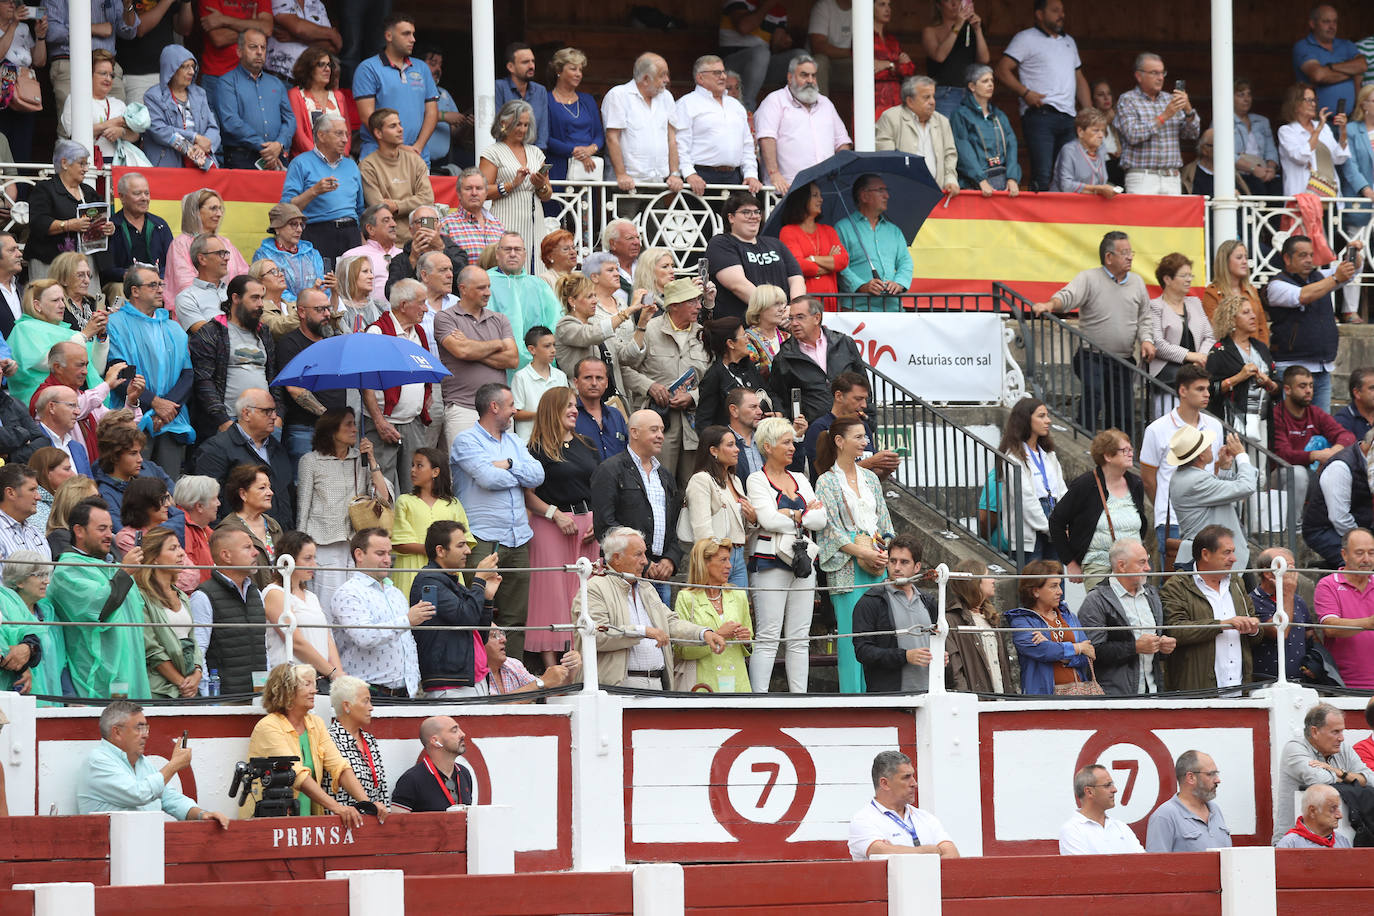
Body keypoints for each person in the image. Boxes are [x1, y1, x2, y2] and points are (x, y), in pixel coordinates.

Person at [451, 382, 544, 659]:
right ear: (494, 407)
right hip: (482, 539)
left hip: (518, 540)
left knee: (516, 620)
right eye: (511, 405)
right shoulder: (466, 440)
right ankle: (478, 676)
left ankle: (514, 680)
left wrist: (510, 465)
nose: (515, 410)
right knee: (476, 612)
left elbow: (538, 475)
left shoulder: (515, 442)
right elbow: (488, 479)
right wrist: (518, 473)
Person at [1031, 232, 1155, 436]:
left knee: (1122, 411)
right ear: (1109, 257)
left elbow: (1144, 317)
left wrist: (1147, 340)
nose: (1130, 257)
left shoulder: (1137, 283)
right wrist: (1049, 305)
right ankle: (1083, 441)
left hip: (1123, 360)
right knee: (1094, 395)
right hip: (1092, 356)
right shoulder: (1089, 278)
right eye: (1124, 253)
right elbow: (1068, 296)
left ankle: (1119, 452)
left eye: (1131, 252)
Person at [575, 525, 726, 689]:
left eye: (645, 554)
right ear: (617, 558)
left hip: (657, 683)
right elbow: (596, 635)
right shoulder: (594, 588)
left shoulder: (646, 587)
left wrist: (703, 633)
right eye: (638, 554)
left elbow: (669, 622)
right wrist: (643, 631)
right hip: (617, 686)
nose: (645, 561)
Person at [815, 416, 894, 693]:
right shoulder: (825, 482)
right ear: (839, 441)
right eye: (858, 437)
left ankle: (881, 695)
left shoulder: (871, 478)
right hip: (847, 564)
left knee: (880, 633)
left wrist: (882, 549)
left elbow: (885, 522)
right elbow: (829, 531)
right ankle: (853, 697)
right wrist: (862, 551)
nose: (865, 442)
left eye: (865, 436)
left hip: (875, 560)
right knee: (851, 638)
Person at [746, 416, 825, 692]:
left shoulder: (801, 477)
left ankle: (799, 700)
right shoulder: (756, 479)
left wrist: (790, 514)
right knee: (768, 636)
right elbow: (767, 520)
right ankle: (759, 701)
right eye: (786, 442)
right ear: (768, 446)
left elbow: (822, 520)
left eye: (793, 441)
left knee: (799, 637)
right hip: (770, 562)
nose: (793, 447)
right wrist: (804, 515)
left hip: (803, 562)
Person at [524, 388, 600, 666]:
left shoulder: (587, 444)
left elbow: (599, 487)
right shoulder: (535, 449)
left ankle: (585, 663)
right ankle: (553, 670)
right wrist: (554, 514)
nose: (574, 410)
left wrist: (599, 521)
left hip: (589, 527)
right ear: (552, 409)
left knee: (587, 593)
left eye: (575, 405)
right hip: (550, 526)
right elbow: (527, 493)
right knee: (552, 595)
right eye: (567, 405)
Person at [243, 663, 372, 823]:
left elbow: (339, 766)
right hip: (270, 822)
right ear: (287, 690)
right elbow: (297, 775)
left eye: (314, 684)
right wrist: (337, 807)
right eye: (307, 684)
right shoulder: (269, 726)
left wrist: (367, 804)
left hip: (308, 822)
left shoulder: (316, 723)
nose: (314, 690)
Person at [48, 498, 148, 698]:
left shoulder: (109, 566)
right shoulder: (68, 569)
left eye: (110, 529)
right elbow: (100, 609)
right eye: (101, 529)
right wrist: (125, 572)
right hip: (99, 680)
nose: (109, 535)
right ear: (79, 531)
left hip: (128, 672)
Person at [76, 701, 230, 825]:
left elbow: (169, 798)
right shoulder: (97, 761)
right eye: (139, 728)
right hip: (110, 855)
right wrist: (174, 764)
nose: (146, 735)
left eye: (146, 728)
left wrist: (202, 815)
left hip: (144, 847)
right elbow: (138, 793)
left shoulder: (142, 762)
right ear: (117, 732)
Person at [619, 279, 712, 483]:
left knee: (692, 486)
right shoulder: (649, 329)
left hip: (692, 427)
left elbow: (713, 378)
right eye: (692, 301)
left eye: (699, 301)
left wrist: (693, 396)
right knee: (657, 483)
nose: (698, 306)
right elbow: (624, 365)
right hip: (657, 422)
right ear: (674, 306)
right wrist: (649, 386)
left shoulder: (703, 334)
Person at [297, 408, 390, 608]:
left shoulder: (361, 459)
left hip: (356, 544)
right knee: (328, 604)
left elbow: (383, 498)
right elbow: (303, 507)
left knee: (355, 604)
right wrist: (301, 548)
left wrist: (372, 459)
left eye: (355, 424)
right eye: (348, 424)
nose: (355, 429)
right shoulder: (310, 461)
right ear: (331, 429)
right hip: (323, 543)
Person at [590, 409, 682, 605]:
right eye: (654, 430)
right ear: (634, 432)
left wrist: (670, 560)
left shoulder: (664, 476)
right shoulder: (609, 470)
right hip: (624, 574)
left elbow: (673, 526)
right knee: (629, 632)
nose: (660, 436)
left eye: (662, 430)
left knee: (660, 633)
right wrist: (643, 561)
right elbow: (605, 526)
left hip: (660, 575)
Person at [107, 264, 193, 474]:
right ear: (134, 291)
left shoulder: (173, 326)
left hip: (171, 419)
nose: (160, 290)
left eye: (161, 284)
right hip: (132, 420)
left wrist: (166, 410)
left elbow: (187, 374)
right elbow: (120, 373)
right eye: (153, 285)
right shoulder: (116, 323)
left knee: (168, 490)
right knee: (134, 487)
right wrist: (155, 404)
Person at [995, 0, 1089, 191]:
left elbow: (1079, 78)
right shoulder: (1025, 38)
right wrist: (1025, 93)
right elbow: (1002, 69)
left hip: (1069, 117)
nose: (1061, 15)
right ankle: (1037, 219)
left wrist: (1088, 113)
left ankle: (1062, 219)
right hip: (1040, 115)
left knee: (1067, 174)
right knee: (1043, 174)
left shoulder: (1069, 41)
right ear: (1039, 14)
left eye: (1062, 11)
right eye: (1055, 11)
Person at [331, 527, 433, 698]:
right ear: (359, 555)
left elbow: (407, 643)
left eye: (388, 553)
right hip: (367, 693)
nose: (387, 560)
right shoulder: (348, 593)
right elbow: (364, 637)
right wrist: (407, 620)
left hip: (406, 692)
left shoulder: (395, 592)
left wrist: (414, 685)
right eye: (380, 553)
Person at [1160, 523, 1261, 692]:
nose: (1234, 558)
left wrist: (1253, 629)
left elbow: (1255, 634)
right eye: (1227, 552)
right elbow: (1175, 630)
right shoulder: (1176, 586)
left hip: (1240, 690)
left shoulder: (1236, 582)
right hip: (1197, 693)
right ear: (1205, 554)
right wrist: (1223, 624)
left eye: (1233, 552)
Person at [1266, 236, 1362, 410]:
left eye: (1311, 255)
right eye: (1303, 255)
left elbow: (1351, 271)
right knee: (1291, 429)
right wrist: (1334, 279)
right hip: (1291, 370)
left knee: (1321, 430)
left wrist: (1354, 253)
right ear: (1287, 258)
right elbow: (1302, 295)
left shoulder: (1319, 277)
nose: (1309, 260)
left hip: (1323, 369)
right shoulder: (1276, 285)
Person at [1139, 365, 1225, 560]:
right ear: (1183, 391)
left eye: (1208, 389)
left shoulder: (1215, 426)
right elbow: (1148, 479)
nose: (1207, 394)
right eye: (1200, 389)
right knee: (1174, 583)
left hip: (1209, 518)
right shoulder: (1157, 429)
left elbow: (1215, 468)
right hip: (1173, 519)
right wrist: (1164, 503)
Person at [189, 274, 284, 441]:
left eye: (261, 298)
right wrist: (222, 420)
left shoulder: (264, 332)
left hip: (266, 420)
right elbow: (204, 380)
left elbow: (274, 377)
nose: (260, 304)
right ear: (236, 298)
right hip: (230, 421)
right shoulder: (212, 332)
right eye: (254, 298)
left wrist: (279, 415)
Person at [1049, 429, 1147, 589]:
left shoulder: (1135, 483)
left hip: (1133, 567)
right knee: (1105, 611)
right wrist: (1070, 562)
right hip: (1099, 566)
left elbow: (1141, 523)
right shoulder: (1085, 485)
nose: (1131, 454)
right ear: (1108, 456)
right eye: (1125, 450)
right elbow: (1056, 521)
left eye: (1131, 449)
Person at [411, 520, 499, 698]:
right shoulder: (429, 581)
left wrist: (487, 598)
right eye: (461, 545)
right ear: (440, 551)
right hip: (449, 685)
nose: (468, 551)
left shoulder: (451, 583)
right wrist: (480, 579)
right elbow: (466, 618)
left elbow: (479, 636)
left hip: (469, 680)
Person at [1075, 538, 1173, 696]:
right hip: (1114, 696)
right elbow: (1092, 652)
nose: (1148, 568)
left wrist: (1164, 646)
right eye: (1141, 562)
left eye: (1147, 561)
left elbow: (1156, 646)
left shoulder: (1152, 594)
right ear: (1121, 566)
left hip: (1153, 692)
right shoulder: (1096, 600)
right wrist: (1135, 647)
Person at [433, 266, 517, 443]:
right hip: (463, 408)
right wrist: (498, 344)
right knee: (465, 468)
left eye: (488, 286)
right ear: (463, 289)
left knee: (506, 466)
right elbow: (461, 351)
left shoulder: (500, 319)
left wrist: (472, 348)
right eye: (481, 288)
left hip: (500, 408)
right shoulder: (446, 318)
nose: (487, 292)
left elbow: (512, 359)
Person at [194, 389, 295, 530]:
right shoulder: (216, 449)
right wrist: (224, 537)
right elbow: (207, 500)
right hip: (238, 542)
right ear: (246, 413)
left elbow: (288, 495)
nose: (274, 416)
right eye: (267, 411)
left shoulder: (278, 449)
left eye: (275, 411)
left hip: (280, 539)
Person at [851, 534, 937, 694]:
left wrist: (941, 655)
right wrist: (904, 656)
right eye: (892, 561)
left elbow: (938, 642)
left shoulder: (929, 602)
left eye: (904, 562)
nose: (897, 567)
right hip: (890, 698)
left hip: (930, 695)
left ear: (917, 567)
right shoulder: (870, 601)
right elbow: (863, 651)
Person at [188, 523, 269, 694]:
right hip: (224, 700)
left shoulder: (256, 593)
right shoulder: (203, 597)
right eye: (247, 547)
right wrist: (209, 698)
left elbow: (264, 647)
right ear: (226, 555)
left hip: (259, 697)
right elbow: (198, 652)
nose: (255, 552)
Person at [1275, 703, 1373, 844]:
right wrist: (1351, 778)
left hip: (1338, 842)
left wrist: (1341, 773)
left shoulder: (1343, 749)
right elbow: (1317, 779)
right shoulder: (1295, 748)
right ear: (1314, 732)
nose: (1342, 738)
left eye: (1342, 731)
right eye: (1335, 732)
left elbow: (1371, 779)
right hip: (1295, 842)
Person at [754, 55, 851, 195]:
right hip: (787, 188)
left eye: (813, 76)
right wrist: (774, 174)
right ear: (790, 77)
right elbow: (766, 138)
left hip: (825, 188)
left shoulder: (826, 104)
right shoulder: (775, 101)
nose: (810, 81)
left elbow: (842, 143)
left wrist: (839, 173)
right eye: (804, 75)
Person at [768, 295, 872, 424]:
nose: (794, 323)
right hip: (813, 431)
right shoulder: (784, 356)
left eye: (800, 317)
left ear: (817, 318)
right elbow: (778, 395)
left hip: (850, 426)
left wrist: (869, 421)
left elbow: (863, 384)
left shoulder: (844, 343)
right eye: (791, 318)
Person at [1168, 424, 1257, 574]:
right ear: (1201, 455)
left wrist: (1224, 470)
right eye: (1207, 446)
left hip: (1218, 555)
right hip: (1215, 559)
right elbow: (1246, 487)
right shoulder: (1195, 480)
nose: (1211, 447)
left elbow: (1219, 500)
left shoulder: (1184, 476)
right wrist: (1241, 456)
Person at [555, 273, 645, 417]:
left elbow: (626, 357)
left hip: (610, 406)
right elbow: (590, 335)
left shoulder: (597, 327)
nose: (595, 301)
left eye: (595, 296)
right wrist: (628, 310)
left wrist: (642, 324)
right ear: (572, 301)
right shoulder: (565, 326)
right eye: (589, 296)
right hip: (581, 408)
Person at [352, 13, 438, 163]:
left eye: (413, 34)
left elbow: (432, 112)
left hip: (418, 155)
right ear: (389, 36)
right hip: (380, 154)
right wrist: (401, 148)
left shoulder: (422, 67)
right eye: (406, 34)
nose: (413, 39)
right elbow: (368, 117)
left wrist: (417, 147)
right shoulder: (368, 68)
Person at [707, 192, 804, 324]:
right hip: (742, 331)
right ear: (731, 217)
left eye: (757, 212)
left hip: (782, 325)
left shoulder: (775, 243)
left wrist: (794, 309)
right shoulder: (721, 243)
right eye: (746, 212)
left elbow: (796, 278)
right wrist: (774, 310)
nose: (754, 217)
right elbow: (738, 285)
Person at [672, 55, 763, 195]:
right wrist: (690, 174)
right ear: (700, 78)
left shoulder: (735, 105)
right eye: (716, 73)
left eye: (723, 72)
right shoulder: (687, 104)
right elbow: (680, 144)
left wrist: (751, 174)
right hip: (700, 178)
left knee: (735, 217)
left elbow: (747, 145)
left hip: (735, 177)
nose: (723, 77)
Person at [282, 113, 366, 262]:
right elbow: (286, 208)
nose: (345, 140)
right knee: (323, 282)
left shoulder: (352, 165)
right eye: (339, 134)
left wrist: (363, 240)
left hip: (351, 233)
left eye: (346, 134)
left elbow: (360, 209)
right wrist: (314, 191)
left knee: (351, 283)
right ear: (321, 135)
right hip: (318, 232)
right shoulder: (300, 163)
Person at [480, 103, 552, 274]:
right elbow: (481, 192)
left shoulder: (536, 152)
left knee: (536, 267)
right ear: (504, 123)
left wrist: (540, 185)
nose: (522, 129)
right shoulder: (493, 152)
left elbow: (548, 194)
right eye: (518, 124)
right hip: (505, 217)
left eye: (526, 125)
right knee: (509, 264)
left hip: (535, 218)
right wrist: (512, 185)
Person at [390, 447, 471, 599]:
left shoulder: (453, 504)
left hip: (448, 570)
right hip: (411, 570)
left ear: (435, 472)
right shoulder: (404, 501)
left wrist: (444, 553)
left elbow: (464, 543)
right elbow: (398, 543)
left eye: (419, 465)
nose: (413, 470)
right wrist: (439, 552)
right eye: (412, 465)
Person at [848, 750, 959, 861]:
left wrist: (896, 850)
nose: (914, 783)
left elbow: (953, 856)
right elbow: (880, 851)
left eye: (913, 776)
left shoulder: (925, 817)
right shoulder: (864, 820)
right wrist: (930, 851)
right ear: (885, 784)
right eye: (906, 777)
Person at [1113, 53, 1199, 194]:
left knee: (1172, 217)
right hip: (1142, 176)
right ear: (1139, 76)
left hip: (1171, 177)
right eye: (1154, 73)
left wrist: (1189, 110)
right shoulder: (1128, 100)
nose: (1160, 78)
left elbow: (1192, 134)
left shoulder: (1170, 99)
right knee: (1143, 217)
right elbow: (1132, 135)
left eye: (1162, 73)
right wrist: (1164, 116)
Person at [262, 531, 342, 681]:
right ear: (288, 561)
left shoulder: (311, 596)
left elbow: (328, 639)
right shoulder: (274, 593)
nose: (314, 564)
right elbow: (295, 642)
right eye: (307, 559)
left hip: (319, 678)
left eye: (314, 558)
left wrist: (339, 674)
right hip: (291, 680)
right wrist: (331, 672)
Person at [25, 142, 111, 280]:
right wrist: (69, 225)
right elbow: (38, 223)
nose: (86, 169)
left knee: (88, 301)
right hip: (51, 262)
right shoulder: (45, 189)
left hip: (85, 262)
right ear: (64, 163)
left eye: (87, 164)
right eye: (81, 164)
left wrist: (107, 228)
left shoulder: (89, 192)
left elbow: (100, 218)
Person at [682, 425, 754, 588]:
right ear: (713, 450)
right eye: (730, 445)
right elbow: (702, 530)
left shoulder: (735, 480)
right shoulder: (701, 480)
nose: (737, 450)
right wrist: (716, 558)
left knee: (738, 610)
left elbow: (744, 527)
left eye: (736, 444)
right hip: (715, 556)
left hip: (739, 555)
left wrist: (753, 518)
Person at [1006, 560, 1093, 695]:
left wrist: (1060, 654)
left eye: (1059, 585)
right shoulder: (1021, 621)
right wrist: (1077, 647)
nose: (1060, 591)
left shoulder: (1070, 616)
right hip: (1043, 699)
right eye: (1054, 586)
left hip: (1079, 695)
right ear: (1035, 591)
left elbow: (1088, 656)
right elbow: (1043, 651)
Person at [602, 52, 682, 195]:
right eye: (662, 75)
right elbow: (612, 138)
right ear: (646, 79)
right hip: (628, 183)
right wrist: (621, 175)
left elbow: (672, 138)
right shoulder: (619, 95)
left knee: (656, 218)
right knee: (626, 218)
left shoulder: (666, 97)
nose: (667, 80)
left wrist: (674, 173)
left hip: (658, 181)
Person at [997, 397, 1065, 562]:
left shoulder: (1049, 454)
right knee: (1035, 583)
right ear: (1026, 420)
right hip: (1030, 527)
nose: (1047, 420)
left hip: (1054, 514)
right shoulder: (1012, 457)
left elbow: (1062, 490)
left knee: (1055, 581)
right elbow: (1025, 499)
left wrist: (1064, 521)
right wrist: (1050, 527)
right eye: (1041, 416)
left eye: (1047, 415)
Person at [216, 29, 295, 170]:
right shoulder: (227, 82)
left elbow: (290, 119)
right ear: (239, 52)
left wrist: (279, 144)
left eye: (263, 47)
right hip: (242, 158)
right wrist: (265, 147)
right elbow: (230, 122)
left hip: (277, 156)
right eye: (253, 47)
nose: (259, 52)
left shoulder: (276, 83)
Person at [835, 174, 913, 312]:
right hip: (857, 309)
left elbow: (905, 262)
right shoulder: (842, 228)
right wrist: (861, 286)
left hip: (892, 308)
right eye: (881, 190)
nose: (886, 195)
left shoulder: (894, 230)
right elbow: (840, 266)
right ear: (864, 196)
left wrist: (899, 283)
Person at [162, 190, 248, 315]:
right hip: (195, 314)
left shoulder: (225, 243)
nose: (219, 214)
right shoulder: (180, 244)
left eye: (220, 209)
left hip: (231, 312)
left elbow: (243, 276)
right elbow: (184, 284)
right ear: (195, 212)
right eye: (213, 208)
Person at [1207, 295, 1279, 440]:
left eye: (1253, 312)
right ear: (1231, 319)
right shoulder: (1220, 351)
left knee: (1260, 461)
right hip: (1233, 422)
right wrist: (1238, 378)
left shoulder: (1261, 348)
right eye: (1246, 313)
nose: (1253, 316)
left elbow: (1278, 386)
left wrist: (1269, 383)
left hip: (1262, 420)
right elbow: (1209, 389)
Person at [875, 76, 959, 198]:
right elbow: (886, 157)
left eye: (933, 96)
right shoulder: (891, 118)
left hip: (936, 194)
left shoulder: (942, 121)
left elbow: (950, 154)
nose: (933, 101)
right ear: (910, 101)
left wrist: (950, 179)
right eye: (926, 97)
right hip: (901, 194)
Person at [1148, 252, 1214, 404]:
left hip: (1196, 372)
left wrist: (1201, 358)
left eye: (1190, 275)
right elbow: (1158, 344)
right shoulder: (1155, 306)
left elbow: (1209, 336)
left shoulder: (1195, 303)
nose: (1189, 280)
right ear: (1167, 279)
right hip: (1167, 379)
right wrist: (1191, 356)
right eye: (1184, 276)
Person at [360, 108, 433, 245]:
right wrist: (412, 202)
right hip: (388, 244)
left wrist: (397, 206)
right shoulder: (368, 166)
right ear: (378, 133)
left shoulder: (415, 160)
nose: (400, 129)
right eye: (393, 126)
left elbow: (428, 199)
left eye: (400, 124)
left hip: (420, 240)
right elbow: (379, 208)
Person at [142, 46, 221, 170]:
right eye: (185, 67)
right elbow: (159, 130)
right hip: (167, 166)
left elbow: (213, 128)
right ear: (171, 69)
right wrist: (194, 138)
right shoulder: (153, 96)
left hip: (200, 164)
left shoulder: (199, 93)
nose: (191, 72)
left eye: (193, 67)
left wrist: (202, 148)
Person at [1314, 528, 1374, 689]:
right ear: (1344, 555)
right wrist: (1368, 623)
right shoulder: (1328, 584)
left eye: (1371, 553)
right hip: (1344, 685)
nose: (1367, 559)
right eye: (1360, 553)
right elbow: (1331, 627)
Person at [0, 550, 63, 702]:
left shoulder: (49, 612)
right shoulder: (4, 606)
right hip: (18, 702)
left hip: (53, 701)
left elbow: (62, 662)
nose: (46, 581)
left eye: (46, 575)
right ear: (19, 581)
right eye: (39, 575)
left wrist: (68, 699)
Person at [952, 64, 1022, 196]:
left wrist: (1012, 177)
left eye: (991, 80)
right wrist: (981, 180)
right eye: (985, 81)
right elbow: (963, 149)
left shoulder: (999, 115)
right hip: (975, 183)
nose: (990, 84)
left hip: (1003, 181)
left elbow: (1012, 145)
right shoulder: (960, 115)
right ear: (972, 86)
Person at [777, 185, 849, 311]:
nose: (821, 199)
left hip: (830, 301)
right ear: (802, 200)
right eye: (815, 195)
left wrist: (812, 258)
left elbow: (842, 260)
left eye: (820, 195)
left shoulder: (829, 230)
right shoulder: (788, 231)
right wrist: (830, 264)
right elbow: (798, 265)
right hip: (805, 302)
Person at [944, 558, 1011, 693]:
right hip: (974, 705)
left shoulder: (990, 616)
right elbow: (955, 670)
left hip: (1000, 702)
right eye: (987, 576)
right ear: (974, 582)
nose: (993, 580)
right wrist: (968, 701)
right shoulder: (951, 619)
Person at [60, 49, 137, 166]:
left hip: (115, 166)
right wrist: (112, 123)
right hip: (86, 165)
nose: (108, 79)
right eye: (103, 73)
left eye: (111, 75)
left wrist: (121, 132)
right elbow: (75, 134)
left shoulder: (119, 104)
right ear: (89, 74)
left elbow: (135, 135)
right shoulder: (76, 100)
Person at [1144, 750, 1232, 852]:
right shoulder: (1164, 816)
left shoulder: (1215, 810)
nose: (1217, 780)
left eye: (1216, 774)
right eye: (1211, 774)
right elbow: (1156, 865)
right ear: (1190, 778)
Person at [323, 675, 388, 807]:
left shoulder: (369, 740)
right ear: (347, 706)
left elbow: (382, 791)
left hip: (374, 822)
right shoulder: (329, 740)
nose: (371, 707)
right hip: (342, 822)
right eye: (366, 701)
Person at [1250, 546, 1311, 683]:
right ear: (1267, 573)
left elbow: (1310, 636)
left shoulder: (1299, 600)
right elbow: (1279, 632)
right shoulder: (1251, 601)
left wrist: (1314, 663)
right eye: (1287, 566)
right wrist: (1288, 594)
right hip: (1265, 684)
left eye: (1293, 566)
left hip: (1300, 683)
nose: (1293, 572)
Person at [545, 47, 604, 182]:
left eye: (580, 70)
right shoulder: (546, 100)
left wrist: (591, 149)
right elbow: (545, 137)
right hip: (559, 167)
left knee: (586, 203)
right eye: (573, 69)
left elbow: (599, 134)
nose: (578, 74)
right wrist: (576, 151)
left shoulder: (588, 100)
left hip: (588, 169)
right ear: (559, 71)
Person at [390, 715, 472, 811]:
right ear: (435, 741)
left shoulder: (464, 773)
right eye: (454, 731)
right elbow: (398, 823)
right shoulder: (411, 780)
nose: (462, 734)